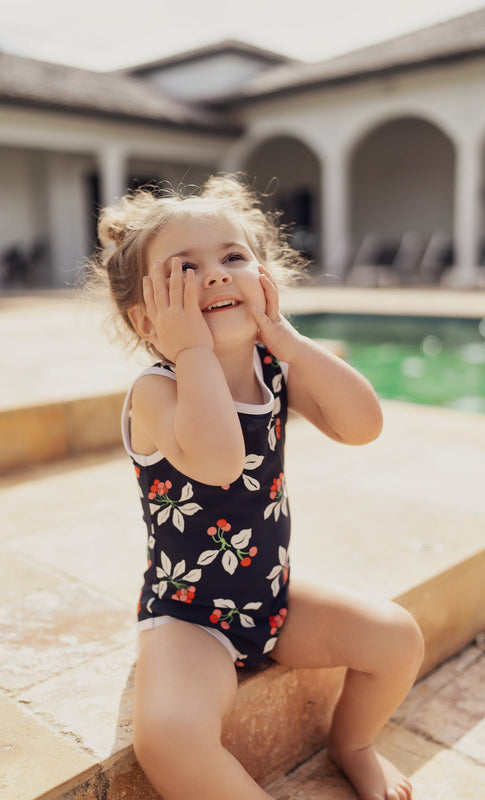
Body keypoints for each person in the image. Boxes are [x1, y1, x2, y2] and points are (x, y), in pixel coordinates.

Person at [89, 175, 424, 800]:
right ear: (145, 317)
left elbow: (363, 426)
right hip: (191, 618)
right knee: (167, 734)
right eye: (183, 271)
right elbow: (218, 461)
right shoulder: (158, 391)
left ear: (265, 279)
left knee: (396, 636)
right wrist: (191, 350)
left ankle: (352, 744)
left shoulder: (275, 367)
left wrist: (290, 341)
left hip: (272, 596)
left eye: (233, 257)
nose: (215, 275)